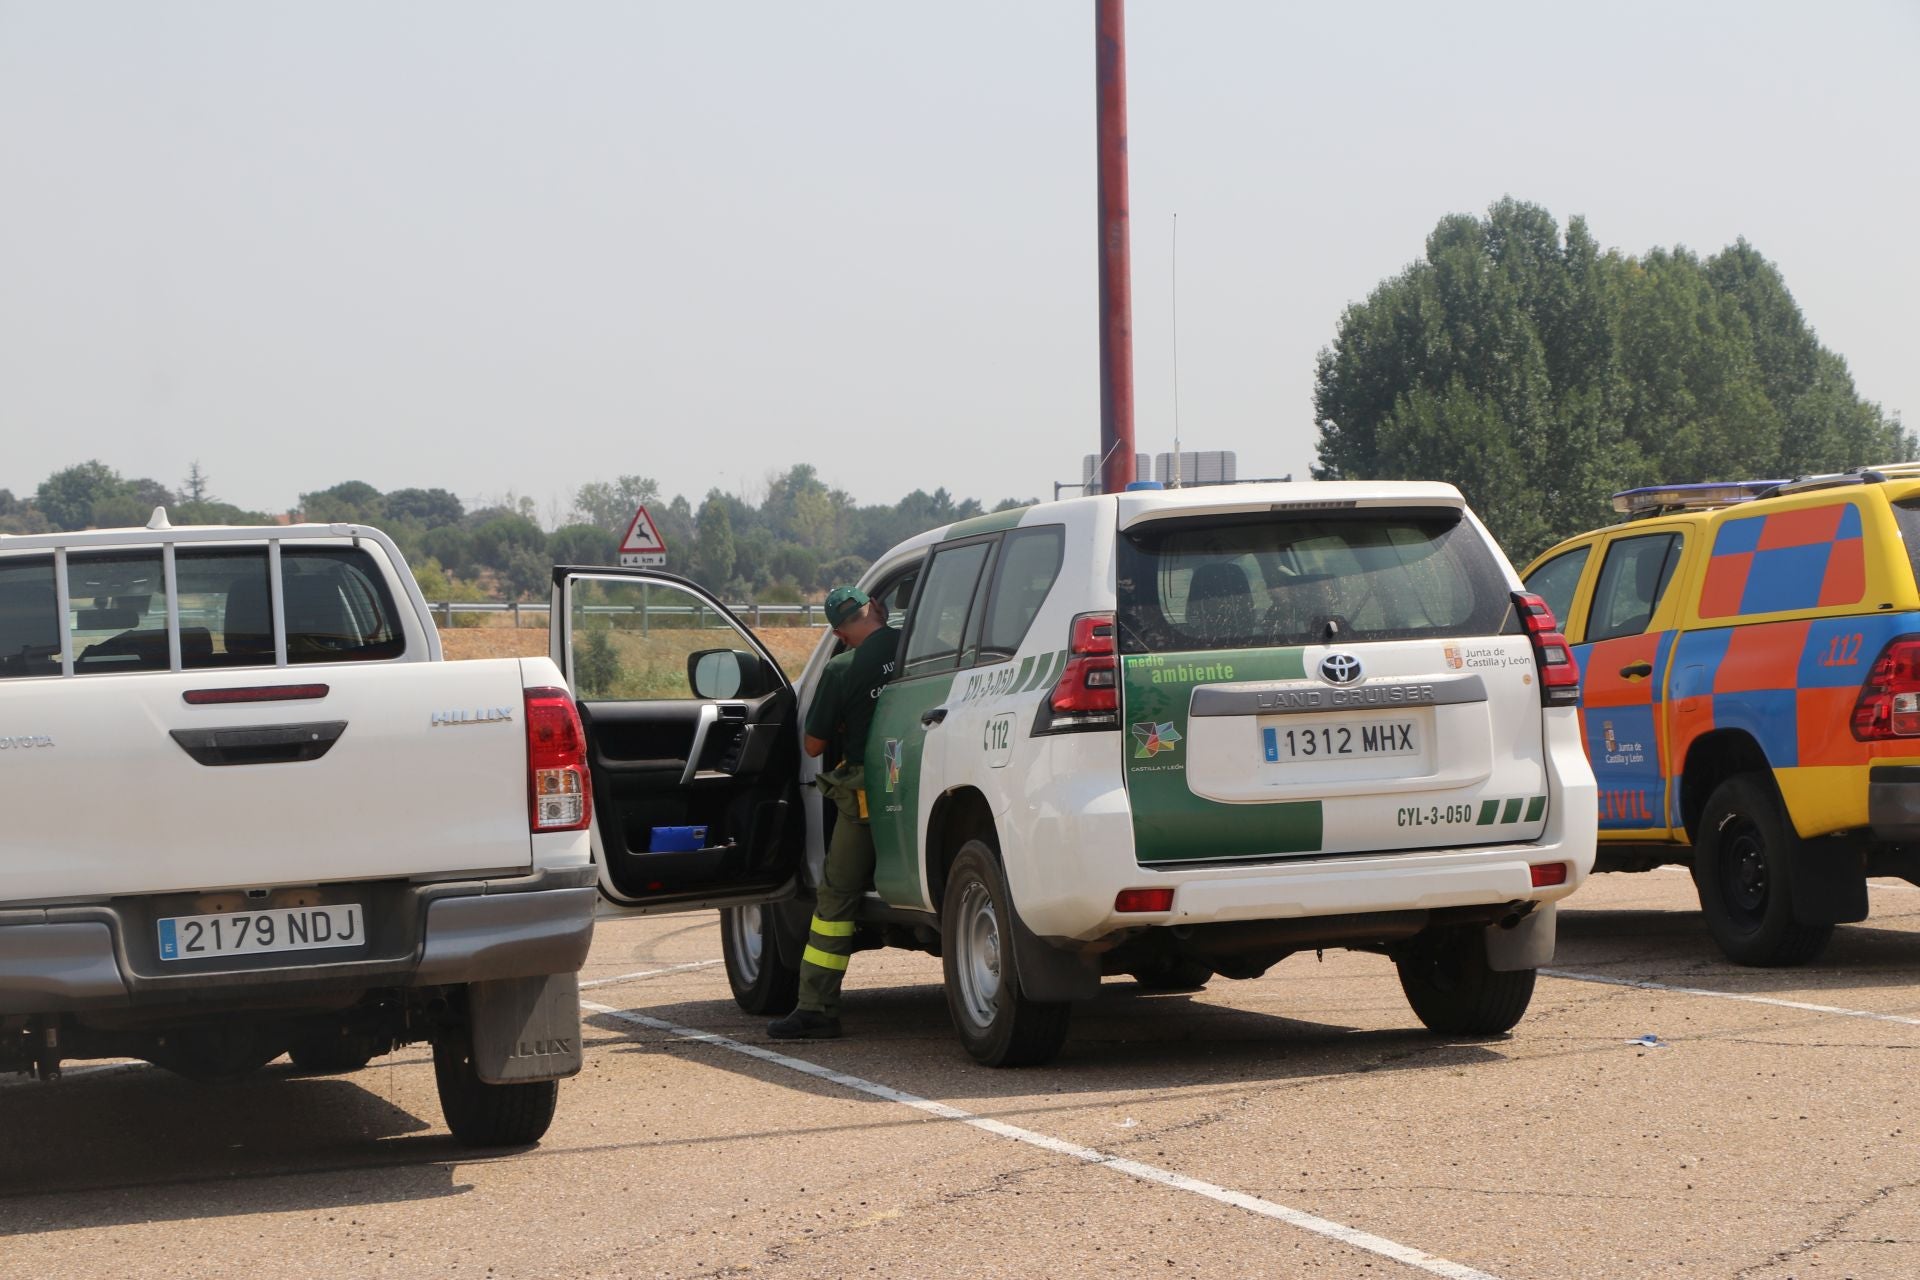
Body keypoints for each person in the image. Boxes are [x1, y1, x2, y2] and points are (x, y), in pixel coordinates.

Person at [768, 585, 900, 1040]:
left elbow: (813, 745)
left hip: (871, 790)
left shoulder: (842, 668)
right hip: (916, 776)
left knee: (836, 897)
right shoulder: (916, 649)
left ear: (840, 634)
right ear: (877, 609)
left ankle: (816, 1007)